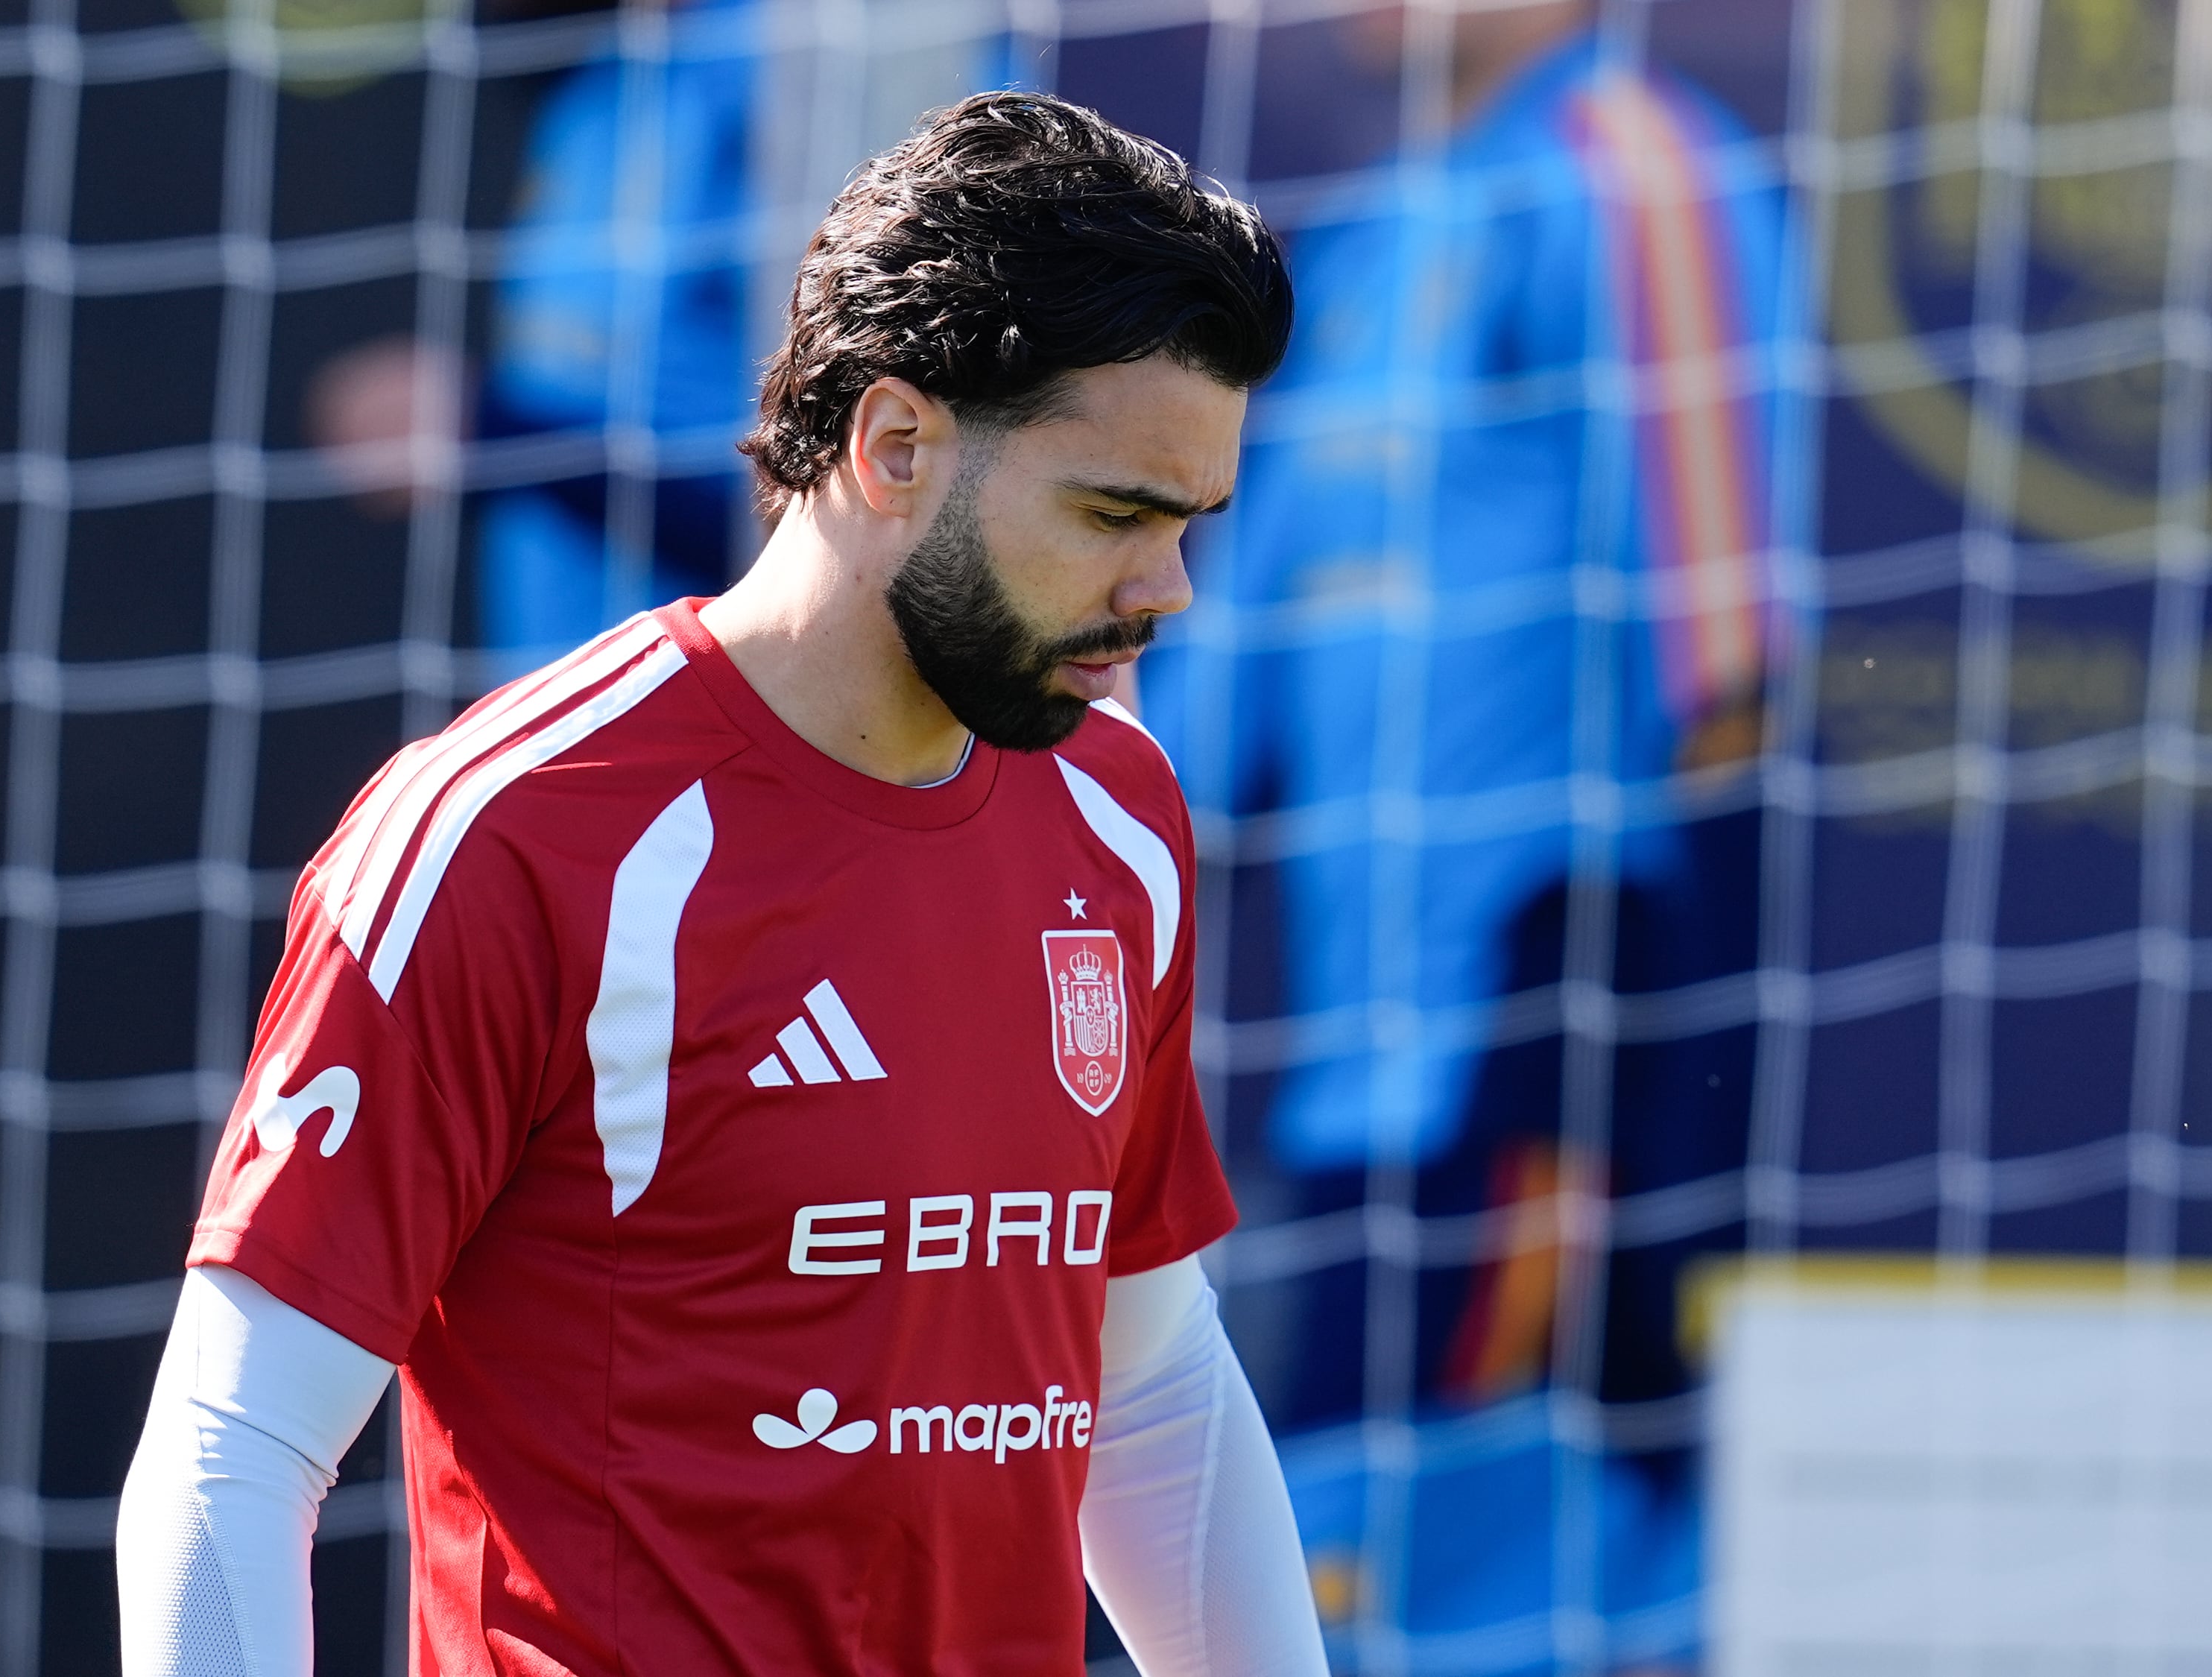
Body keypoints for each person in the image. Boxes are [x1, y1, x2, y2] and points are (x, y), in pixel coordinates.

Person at [116, 92, 1328, 1677]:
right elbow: (231, 1448)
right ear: (895, 446)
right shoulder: (511, 835)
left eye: (1190, 526)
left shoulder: (1114, 816)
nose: (1162, 591)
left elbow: (1151, 1387)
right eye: (1112, 515)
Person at [1138, 1, 1787, 1663]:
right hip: (1353, 1063)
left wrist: (1618, 1062)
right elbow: (1197, 707)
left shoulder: (1632, 169)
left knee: (1498, 1552)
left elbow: (1725, 664)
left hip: (1535, 1021)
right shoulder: (1366, 247)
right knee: (1339, 1549)